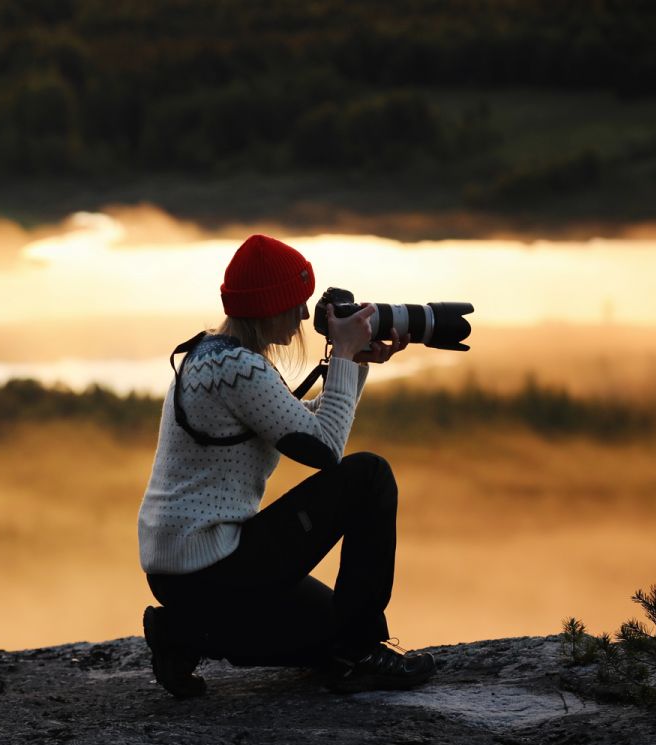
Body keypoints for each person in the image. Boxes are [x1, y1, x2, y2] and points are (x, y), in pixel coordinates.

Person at [137, 233, 437, 698]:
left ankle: (181, 634)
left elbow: (301, 423)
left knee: (328, 632)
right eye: (297, 304)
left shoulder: (214, 356)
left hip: (184, 568)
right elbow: (324, 450)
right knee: (369, 476)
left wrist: (354, 363)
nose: (303, 316)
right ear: (271, 306)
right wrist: (341, 354)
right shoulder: (240, 368)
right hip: (212, 563)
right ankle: (364, 654)